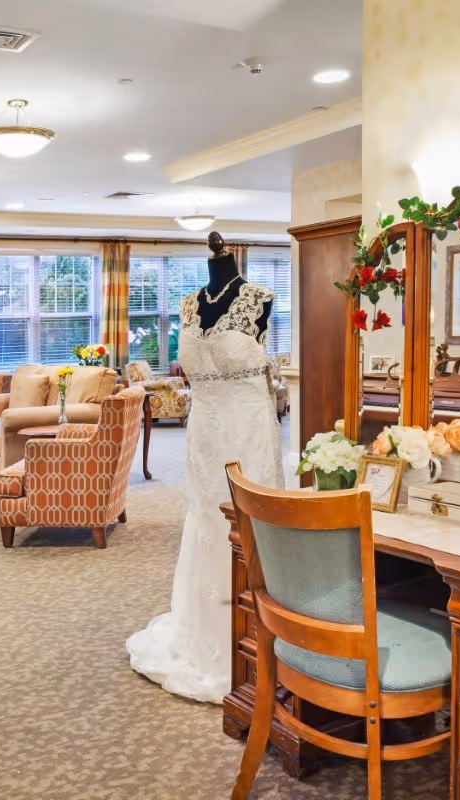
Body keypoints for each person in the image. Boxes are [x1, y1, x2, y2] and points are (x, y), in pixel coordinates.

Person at [126, 233, 284, 703]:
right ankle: (205, 624)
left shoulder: (261, 298)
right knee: (206, 520)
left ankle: (262, 631)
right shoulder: (189, 303)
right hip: (204, 432)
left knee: (250, 521)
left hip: (249, 429)